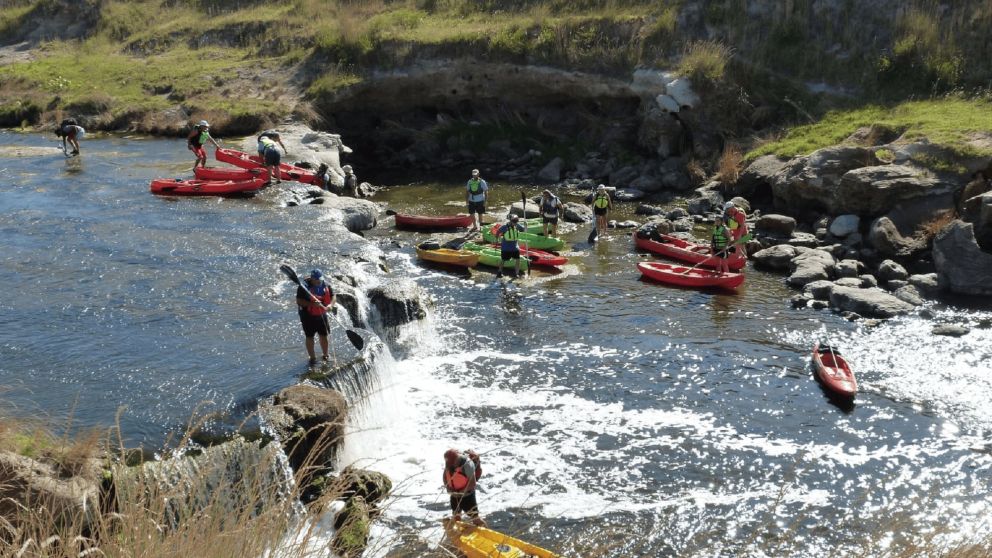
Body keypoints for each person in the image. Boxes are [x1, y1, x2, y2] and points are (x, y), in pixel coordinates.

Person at [295, 269, 335, 365]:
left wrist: (331, 305)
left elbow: (333, 296)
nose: (319, 282)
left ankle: (325, 355)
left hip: (321, 313)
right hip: (307, 316)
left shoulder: (326, 285)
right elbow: (299, 301)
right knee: (310, 336)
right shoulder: (303, 287)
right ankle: (312, 358)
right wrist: (312, 304)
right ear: (312, 279)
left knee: (324, 335)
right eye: (317, 280)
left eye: (320, 279)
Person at [443, 449, 486, 527]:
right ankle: (458, 534)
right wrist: (447, 487)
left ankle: (486, 533)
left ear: (457, 459)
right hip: (454, 494)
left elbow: (472, 483)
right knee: (456, 515)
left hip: (467, 495)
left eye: (453, 463)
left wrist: (461, 492)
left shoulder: (467, 465)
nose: (451, 465)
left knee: (475, 518)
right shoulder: (449, 463)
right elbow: (445, 476)